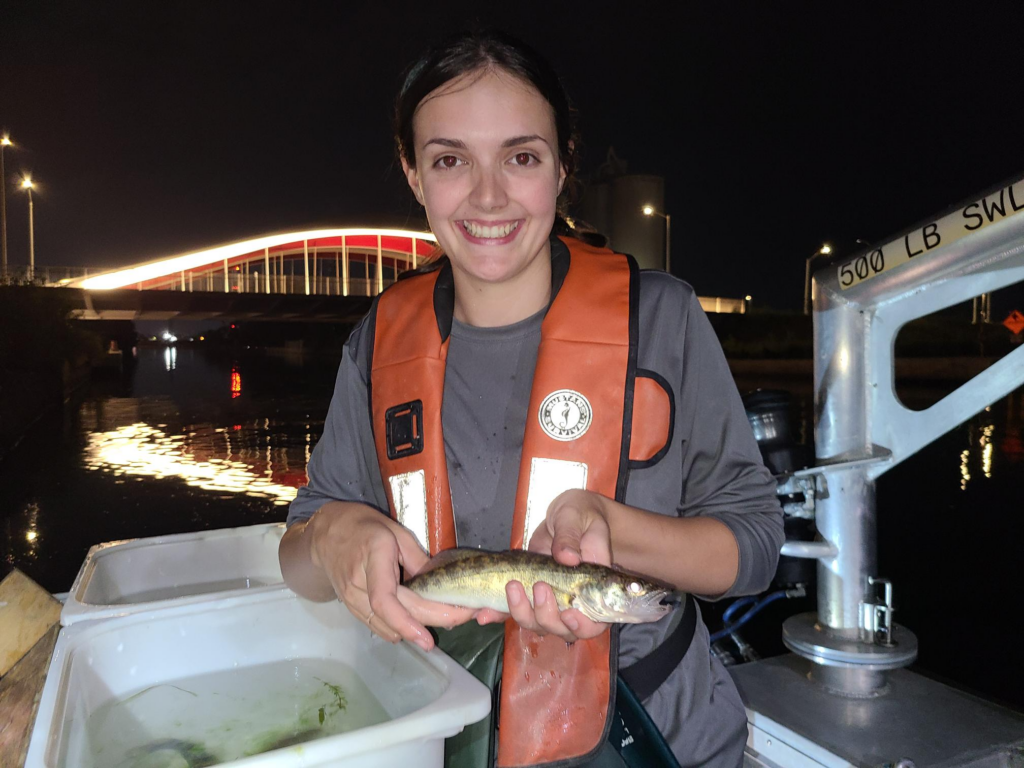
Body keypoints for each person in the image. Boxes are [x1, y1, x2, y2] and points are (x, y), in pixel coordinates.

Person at [279, 29, 784, 768]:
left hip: (659, 738)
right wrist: (332, 536)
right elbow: (298, 560)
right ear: (414, 176)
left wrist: (612, 526)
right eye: (451, 160)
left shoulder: (665, 320)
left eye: (521, 157)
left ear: (563, 165)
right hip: (447, 736)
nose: (488, 195)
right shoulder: (376, 343)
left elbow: (755, 549)